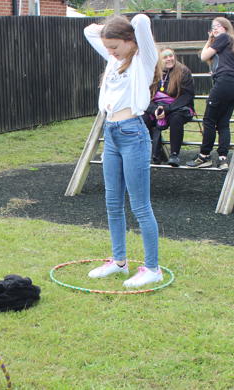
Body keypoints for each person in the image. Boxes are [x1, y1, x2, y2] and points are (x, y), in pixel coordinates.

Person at [83, 14, 162, 288]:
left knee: (140, 205)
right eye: (108, 48)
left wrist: (117, 28)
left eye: (115, 46)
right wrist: (106, 33)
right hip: (112, 133)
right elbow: (88, 31)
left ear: (131, 42)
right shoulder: (114, 61)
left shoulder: (144, 60)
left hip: (133, 135)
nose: (110, 52)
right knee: (112, 202)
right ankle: (119, 262)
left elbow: (141, 20)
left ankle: (153, 268)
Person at [186, 17, 234, 171]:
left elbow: (203, 56)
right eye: (213, 27)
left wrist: (209, 39)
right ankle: (223, 159)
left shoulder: (224, 38)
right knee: (223, 123)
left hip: (224, 84)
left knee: (209, 120)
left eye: (218, 26)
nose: (215, 29)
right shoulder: (229, 44)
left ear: (226, 28)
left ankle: (204, 156)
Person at [143, 48, 195, 167]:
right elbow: (145, 95)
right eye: (165, 57)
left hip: (179, 107)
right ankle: (148, 153)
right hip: (156, 106)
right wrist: (154, 109)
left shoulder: (183, 71)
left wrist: (168, 109)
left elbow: (187, 96)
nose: (169, 59)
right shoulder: (152, 72)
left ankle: (174, 155)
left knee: (176, 118)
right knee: (142, 118)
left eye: (171, 56)